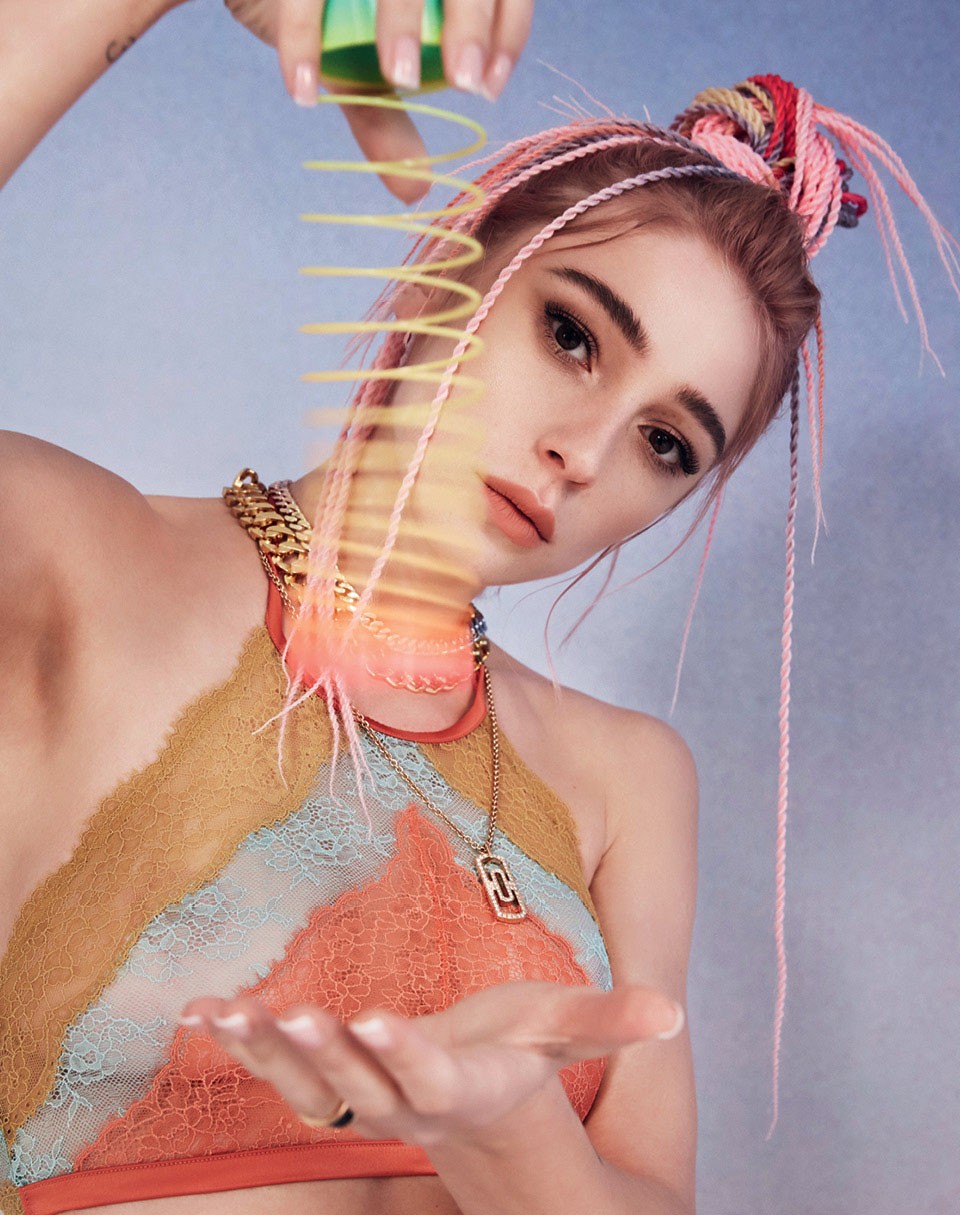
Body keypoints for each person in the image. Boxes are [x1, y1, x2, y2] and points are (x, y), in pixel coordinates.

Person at [1, 3, 954, 1215]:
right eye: (572, 335)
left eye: (666, 442)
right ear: (454, 269)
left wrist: (518, 1142)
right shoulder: (79, 563)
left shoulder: (625, 779)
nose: (584, 453)